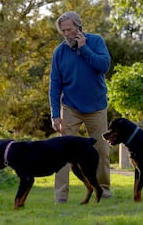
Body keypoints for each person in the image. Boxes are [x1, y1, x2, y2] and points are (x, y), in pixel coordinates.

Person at [49, 11, 111, 203]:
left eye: (69, 29)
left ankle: (103, 189)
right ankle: (61, 195)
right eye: (63, 31)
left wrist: (84, 49)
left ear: (78, 27)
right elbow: (54, 85)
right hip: (71, 108)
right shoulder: (59, 52)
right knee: (62, 153)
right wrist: (55, 115)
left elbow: (104, 66)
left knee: (101, 149)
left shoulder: (96, 41)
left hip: (96, 107)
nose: (67, 34)